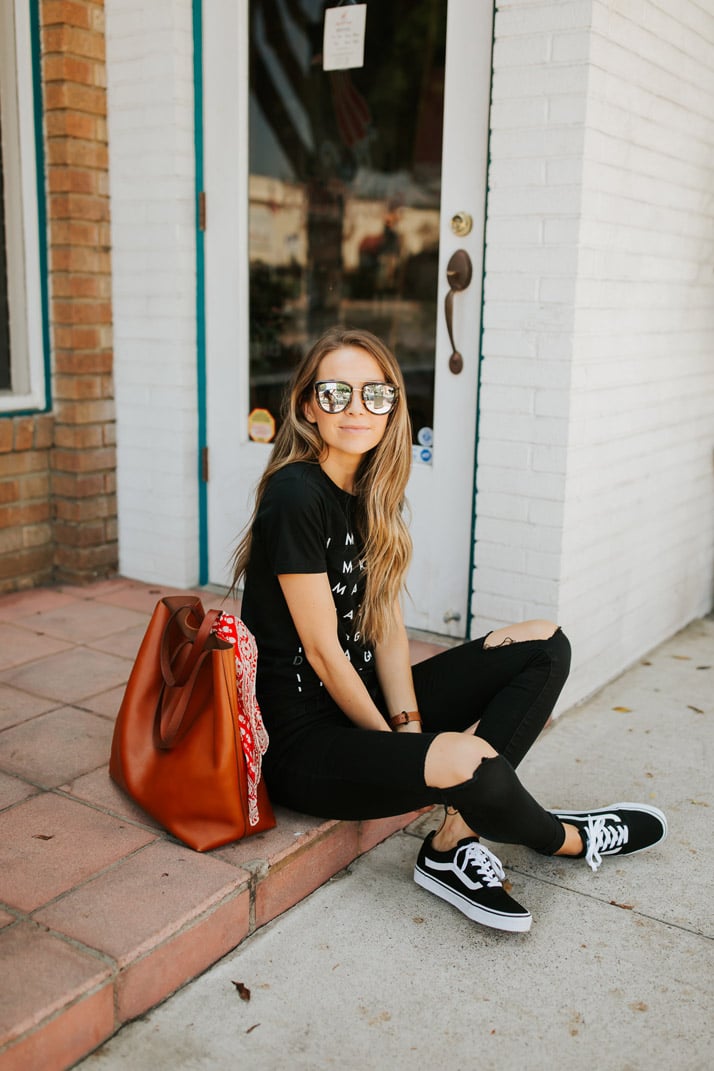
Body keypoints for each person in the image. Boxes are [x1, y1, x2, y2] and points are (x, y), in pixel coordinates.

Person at [234, 327, 667, 933]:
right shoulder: (295, 493)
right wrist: (396, 744)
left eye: (374, 395)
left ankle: (452, 844)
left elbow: (382, 621)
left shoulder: (370, 489)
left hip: (361, 706)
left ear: (393, 406)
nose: (356, 409)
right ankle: (568, 838)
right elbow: (324, 653)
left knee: (545, 644)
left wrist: (408, 723)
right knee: (476, 765)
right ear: (308, 405)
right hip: (305, 743)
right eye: (335, 394)